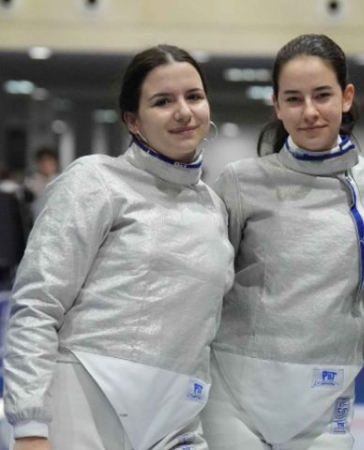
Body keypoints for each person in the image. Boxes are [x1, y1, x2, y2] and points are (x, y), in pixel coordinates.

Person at [3, 44, 234, 450]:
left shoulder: (214, 208)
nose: (183, 111)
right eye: (163, 101)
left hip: (175, 419)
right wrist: (30, 427)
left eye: (193, 96)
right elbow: (37, 305)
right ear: (133, 120)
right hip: (80, 408)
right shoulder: (95, 181)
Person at [201, 34, 364, 449]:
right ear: (276, 105)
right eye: (293, 99)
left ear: (346, 97)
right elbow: (205, 280)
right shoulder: (241, 181)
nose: (309, 112)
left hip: (327, 394)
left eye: (322, 95)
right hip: (235, 395)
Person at [25, 147, 60, 220]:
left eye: (49, 162)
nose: (46, 166)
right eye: (43, 163)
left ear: (55, 163)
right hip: (37, 220)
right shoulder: (31, 182)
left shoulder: (61, 180)